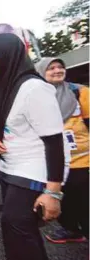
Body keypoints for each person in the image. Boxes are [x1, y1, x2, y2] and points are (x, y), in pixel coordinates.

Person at [0, 33, 65, 260]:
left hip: (37, 166)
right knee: (19, 230)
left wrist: (53, 193)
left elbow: (55, 142)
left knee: (14, 222)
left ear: (7, 57)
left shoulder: (34, 89)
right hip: (8, 167)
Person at [36, 57, 89, 243]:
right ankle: (72, 230)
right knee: (62, 201)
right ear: (42, 73)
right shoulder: (37, 99)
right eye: (51, 68)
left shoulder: (80, 92)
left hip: (82, 160)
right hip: (54, 162)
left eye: (60, 67)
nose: (57, 70)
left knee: (84, 204)